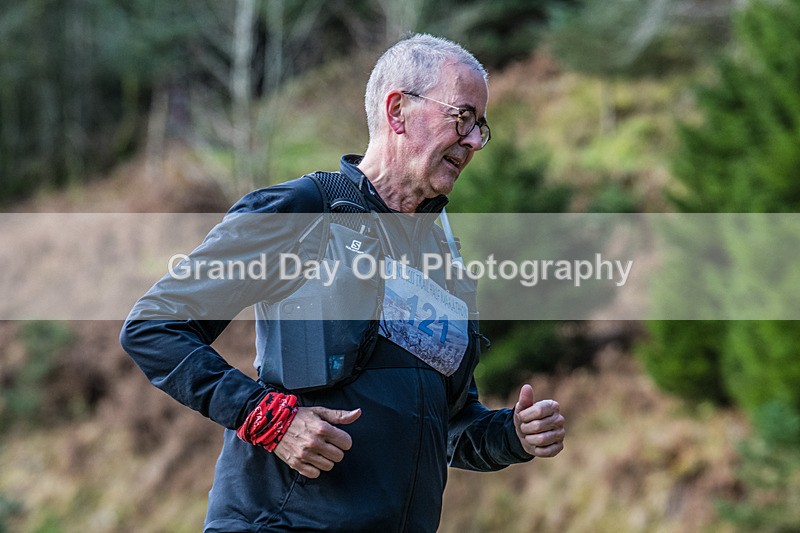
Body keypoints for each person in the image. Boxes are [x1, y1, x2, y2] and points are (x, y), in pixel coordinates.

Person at [120, 33, 565, 532]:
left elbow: (448, 425)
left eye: (482, 128)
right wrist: (265, 418)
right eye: (462, 118)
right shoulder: (302, 210)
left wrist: (512, 436)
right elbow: (153, 327)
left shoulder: (443, 260)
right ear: (397, 111)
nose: (474, 142)